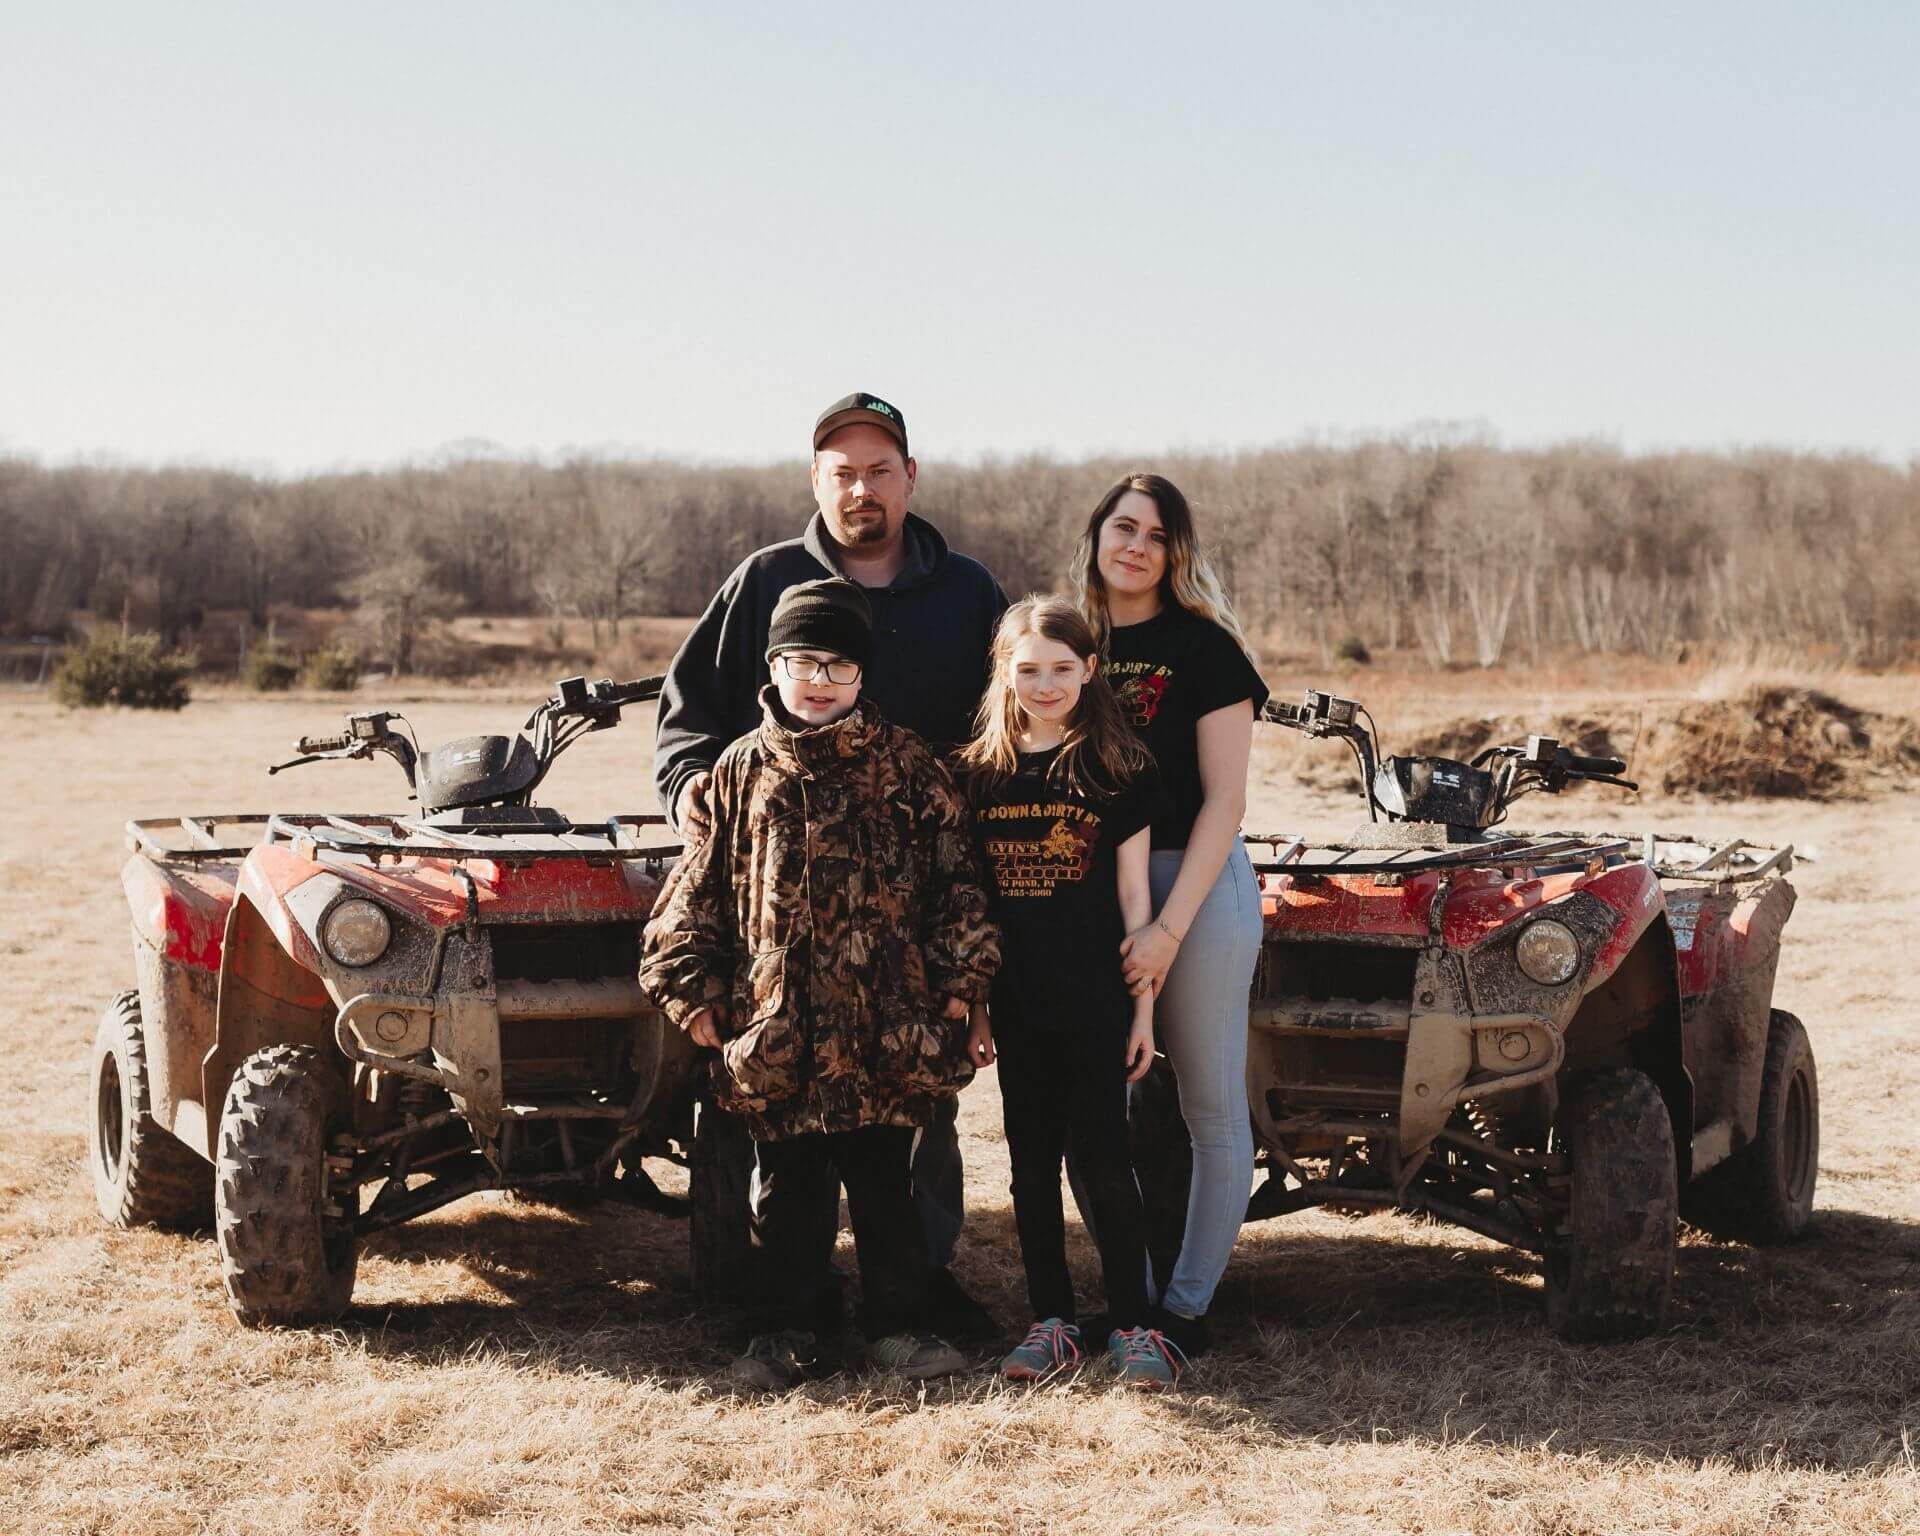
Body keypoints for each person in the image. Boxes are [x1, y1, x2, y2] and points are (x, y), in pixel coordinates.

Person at [653, 392, 1008, 1334]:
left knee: (915, 1122)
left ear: (909, 477)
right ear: (818, 480)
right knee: (786, 1149)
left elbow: (1020, 717)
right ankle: (786, 1307)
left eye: (879, 470)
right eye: (842, 472)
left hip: (912, 915)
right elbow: (688, 713)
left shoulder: (969, 593)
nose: (862, 488)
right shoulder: (763, 580)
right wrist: (695, 783)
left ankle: (914, 1290)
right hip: (781, 936)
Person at [958, 596, 1190, 1389]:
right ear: (1006, 673)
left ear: (1091, 670)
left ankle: (1133, 1325)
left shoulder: (1118, 769)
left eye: (1062, 668)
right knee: (1027, 1166)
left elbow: (1136, 903)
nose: (1046, 683)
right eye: (1029, 670)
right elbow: (977, 903)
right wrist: (981, 1007)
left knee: (1101, 1158)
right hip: (1019, 1002)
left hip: (1096, 997)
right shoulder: (979, 772)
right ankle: (1050, 1321)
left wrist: (1145, 1009)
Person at [1069, 473, 1268, 1361]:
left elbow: (1226, 801)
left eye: (1157, 533)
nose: (1137, 546)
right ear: (1097, 537)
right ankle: (1127, 1298)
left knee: (1211, 1109)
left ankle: (1184, 1311)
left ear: (1175, 552)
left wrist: (1168, 929)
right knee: (1093, 1101)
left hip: (1197, 886)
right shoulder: (1068, 643)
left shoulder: (1207, 649)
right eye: (1123, 527)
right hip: (1095, 890)